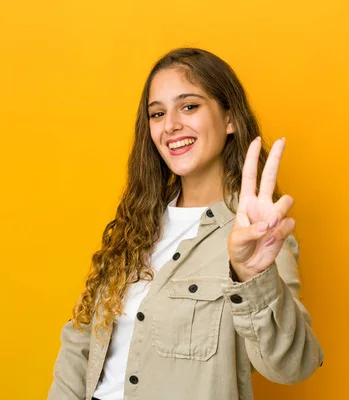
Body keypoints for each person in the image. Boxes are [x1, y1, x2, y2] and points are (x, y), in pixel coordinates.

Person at [47, 47, 324, 400]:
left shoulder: (259, 237)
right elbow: (81, 342)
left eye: (189, 106)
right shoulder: (137, 227)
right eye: (157, 113)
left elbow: (291, 366)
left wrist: (252, 276)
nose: (171, 124)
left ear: (230, 119)